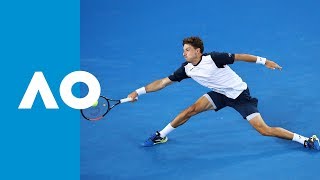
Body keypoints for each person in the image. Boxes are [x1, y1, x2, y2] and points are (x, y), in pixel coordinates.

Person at [127, 36, 320, 150]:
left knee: (264, 130)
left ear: (198, 51)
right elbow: (162, 82)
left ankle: (305, 140)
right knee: (190, 110)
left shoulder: (214, 58)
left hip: (240, 96)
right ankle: (161, 135)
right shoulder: (186, 69)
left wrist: (265, 61)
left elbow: (240, 57)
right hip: (220, 94)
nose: (184, 53)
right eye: (183, 50)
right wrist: (138, 91)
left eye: (187, 50)